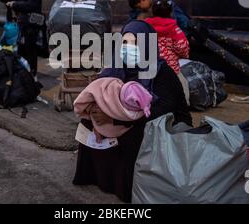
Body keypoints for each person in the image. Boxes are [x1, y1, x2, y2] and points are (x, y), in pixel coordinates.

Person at [73, 20, 192, 203]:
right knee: (89, 123)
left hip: (165, 124)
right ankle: (94, 176)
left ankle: (126, 187)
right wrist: (96, 111)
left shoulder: (162, 72)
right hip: (130, 117)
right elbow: (100, 93)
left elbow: (161, 111)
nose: (128, 48)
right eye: (125, 43)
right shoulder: (116, 67)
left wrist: (117, 120)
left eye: (135, 43)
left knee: (133, 133)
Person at [0, 0, 47, 80]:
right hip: (29, 23)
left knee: (29, 50)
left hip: (31, 24)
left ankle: (32, 75)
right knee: (25, 49)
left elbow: (32, 4)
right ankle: (27, 74)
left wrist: (14, 4)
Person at [144, 0, 189, 74]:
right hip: (170, 70)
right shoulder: (174, 29)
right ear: (170, 12)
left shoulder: (145, 26)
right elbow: (182, 47)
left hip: (149, 69)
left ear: (153, 12)